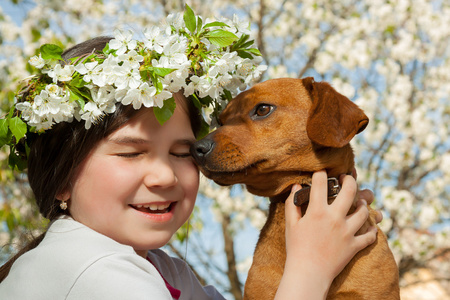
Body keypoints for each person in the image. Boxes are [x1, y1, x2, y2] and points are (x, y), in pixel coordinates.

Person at [0, 7, 380, 300]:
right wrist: (311, 269)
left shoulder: (164, 269)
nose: (165, 176)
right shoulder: (90, 272)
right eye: (131, 153)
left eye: (184, 153)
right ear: (61, 180)